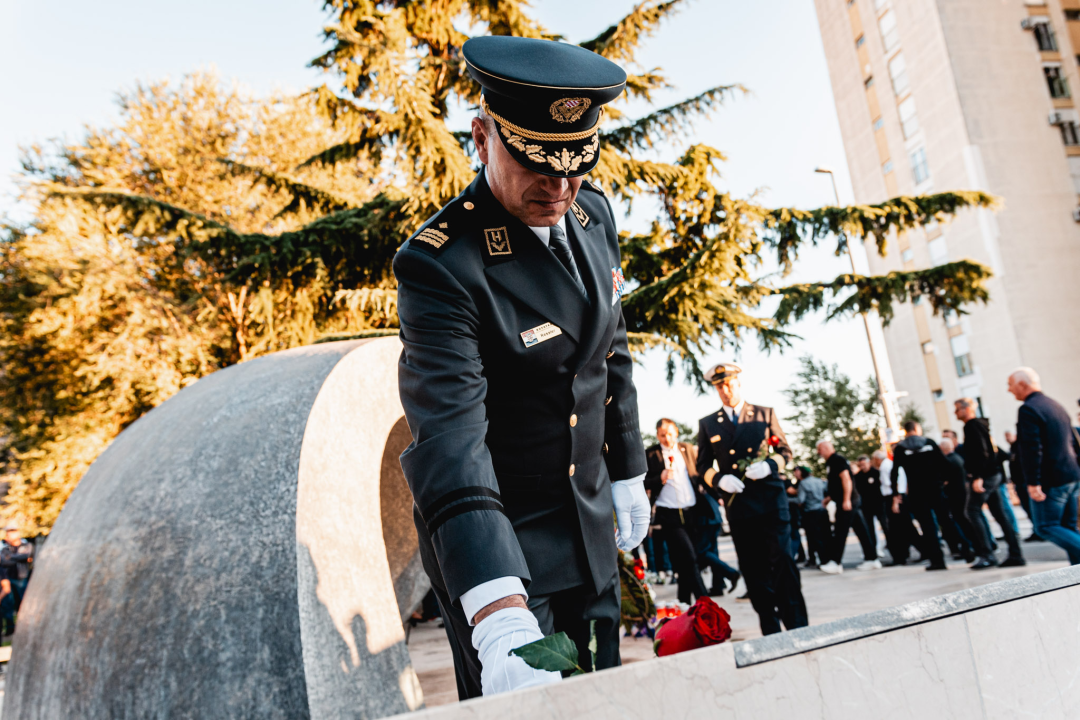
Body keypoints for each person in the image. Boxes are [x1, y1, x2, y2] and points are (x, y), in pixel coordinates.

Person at [394, 37, 646, 698]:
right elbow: (450, 436)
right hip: (502, 550)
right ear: (482, 137)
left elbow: (609, 349)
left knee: (601, 693)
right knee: (531, 702)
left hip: (588, 528)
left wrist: (629, 471)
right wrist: (497, 611)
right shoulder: (441, 263)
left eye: (575, 167)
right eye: (538, 165)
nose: (559, 188)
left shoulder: (595, 216)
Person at [695, 362, 808, 635]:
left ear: (739, 384)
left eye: (730, 384)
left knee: (783, 561)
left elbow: (786, 451)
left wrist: (770, 465)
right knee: (753, 569)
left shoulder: (763, 414)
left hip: (771, 502)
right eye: (720, 386)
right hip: (740, 508)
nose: (726, 390)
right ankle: (769, 630)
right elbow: (702, 466)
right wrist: (719, 479)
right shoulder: (708, 424)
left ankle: (798, 626)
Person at [1008, 368, 1080, 564]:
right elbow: (1073, 441)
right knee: (1069, 527)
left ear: (1023, 384)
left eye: (1010, 385)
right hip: (1071, 475)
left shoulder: (1028, 409)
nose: (1009, 390)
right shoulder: (1055, 405)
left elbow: (1032, 448)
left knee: (1046, 526)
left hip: (1052, 479)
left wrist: (1032, 482)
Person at [955, 398, 1025, 567]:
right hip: (992, 475)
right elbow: (994, 451)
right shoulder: (981, 425)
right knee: (1000, 514)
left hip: (985, 476)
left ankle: (987, 554)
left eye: (957, 409)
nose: (955, 413)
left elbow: (982, 452)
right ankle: (1015, 554)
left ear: (966, 409)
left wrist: (978, 476)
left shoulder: (972, 426)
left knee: (972, 511)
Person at [644, 419, 708, 604]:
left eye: (670, 434)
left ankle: (684, 602)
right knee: (689, 558)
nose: (667, 438)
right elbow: (642, 482)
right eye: (662, 435)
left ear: (677, 432)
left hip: (692, 510)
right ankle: (705, 603)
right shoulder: (650, 454)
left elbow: (698, 474)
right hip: (668, 513)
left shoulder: (687, 449)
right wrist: (659, 478)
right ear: (657, 435)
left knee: (685, 562)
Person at [891, 421, 949, 570]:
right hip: (935, 489)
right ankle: (966, 550)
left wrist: (895, 493)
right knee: (946, 520)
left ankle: (937, 560)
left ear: (905, 431)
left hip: (917, 492)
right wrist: (943, 481)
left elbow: (895, 472)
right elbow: (944, 463)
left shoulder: (900, 448)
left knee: (927, 526)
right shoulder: (929, 442)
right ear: (917, 429)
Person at [816, 442, 880, 573]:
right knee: (861, 530)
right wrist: (829, 498)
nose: (819, 453)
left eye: (819, 450)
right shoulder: (831, 462)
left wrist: (846, 500)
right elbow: (837, 483)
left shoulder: (836, 460)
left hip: (847, 501)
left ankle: (836, 562)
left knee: (840, 531)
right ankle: (872, 559)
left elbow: (846, 479)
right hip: (849, 500)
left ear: (826, 448)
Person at [940, 438, 994, 568]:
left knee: (966, 525)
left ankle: (979, 550)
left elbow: (945, 481)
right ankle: (980, 550)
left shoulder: (950, 461)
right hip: (961, 496)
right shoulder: (957, 458)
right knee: (968, 523)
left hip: (957, 498)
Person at [794, 466, 828, 568]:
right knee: (823, 536)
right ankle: (824, 559)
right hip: (822, 511)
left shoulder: (803, 483)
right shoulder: (819, 481)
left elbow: (800, 500)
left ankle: (818, 560)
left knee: (813, 537)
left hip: (811, 513)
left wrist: (786, 499)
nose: (795, 474)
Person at [854, 454, 887, 558]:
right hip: (866, 506)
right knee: (869, 530)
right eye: (860, 465)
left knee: (886, 527)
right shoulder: (858, 477)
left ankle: (895, 553)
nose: (862, 466)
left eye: (863, 464)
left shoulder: (876, 473)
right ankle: (873, 552)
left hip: (879, 504)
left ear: (868, 463)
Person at [0, 524, 33, 610]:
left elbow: (26, 556)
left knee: (23, 602)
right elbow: (3, 561)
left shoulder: (26, 545)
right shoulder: (5, 548)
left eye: (11, 533)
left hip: (21, 577)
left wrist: (10, 557)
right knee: (9, 604)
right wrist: (19, 557)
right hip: (8, 577)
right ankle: (11, 623)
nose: (8, 535)